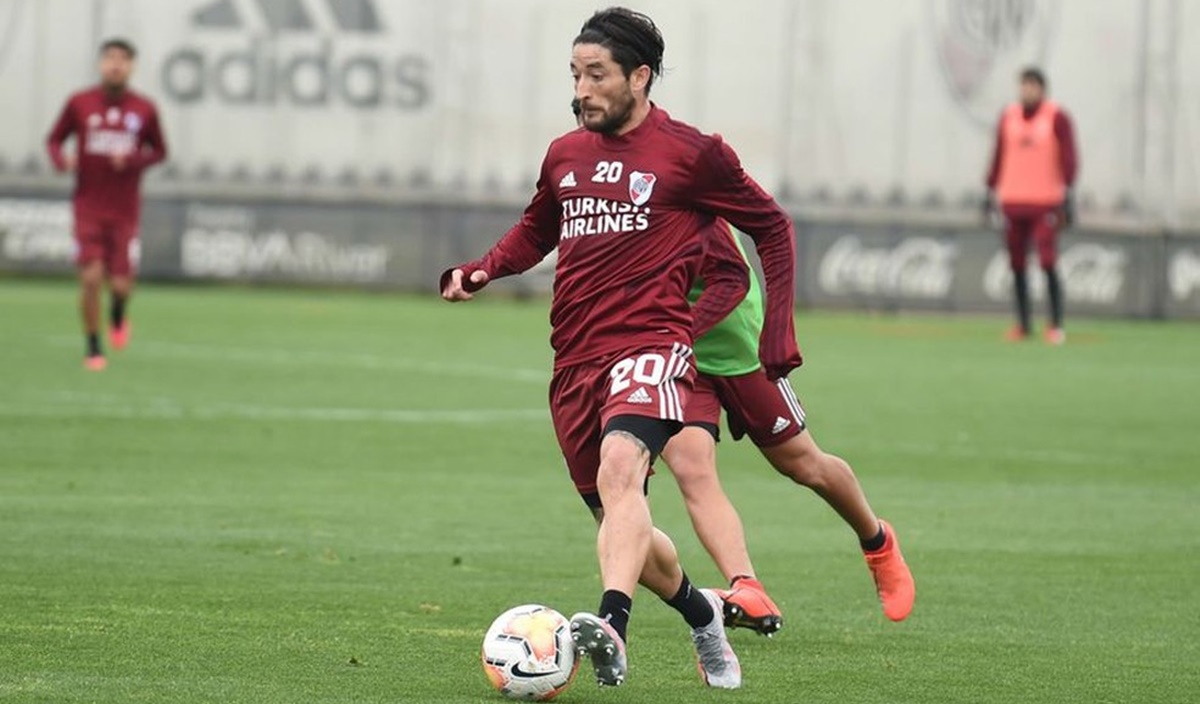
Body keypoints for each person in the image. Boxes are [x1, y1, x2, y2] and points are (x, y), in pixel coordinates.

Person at [441, 7, 800, 689]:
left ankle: (611, 625)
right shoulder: (565, 154)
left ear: (640, 76)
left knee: (620, 468)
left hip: (655, 344)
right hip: (576, 359)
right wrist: (483, 269)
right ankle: (703, 614)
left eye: (597, 75)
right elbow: (537, 229)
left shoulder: (694, 154)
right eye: (575, 75)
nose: (582, 90)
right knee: (622, 524)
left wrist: (777, 328)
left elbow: (773, 227)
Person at [662, 221, 916, 636]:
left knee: (803, 464)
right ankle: (747, 586)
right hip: (680, 357)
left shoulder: (688, 194)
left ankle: (877, 541)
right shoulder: (611, 202)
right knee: (692, 470)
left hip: (742, 348)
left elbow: (736, 275)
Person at [46, 38, 168, 371]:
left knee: (121, 285)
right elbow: (54, 139)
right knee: (90, 278)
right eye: (110, 58)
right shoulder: (80, 103)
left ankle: (117, 314)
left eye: (123, 59)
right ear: (101, 64)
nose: (116, 65)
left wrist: (132, 159)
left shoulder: (144, 109)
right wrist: (61, 160)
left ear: (131, 67)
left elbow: (160, 151)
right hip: (87, 206)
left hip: (125, 211)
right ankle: (93, 346)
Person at [984, 67, 1079, 345]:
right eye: (1023, 85)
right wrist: (989, 188)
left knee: (1047, 260)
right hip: (1012, 200)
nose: (1026, 91)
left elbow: (1069, 157)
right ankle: (1024, 324)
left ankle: (1056, 324)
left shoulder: (1056, 117)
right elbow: (998, 155)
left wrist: (1068, 193)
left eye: (1032, 85)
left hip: (1045, 202)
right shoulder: (1009, 116)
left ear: (1042, 89)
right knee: (1016, 263)